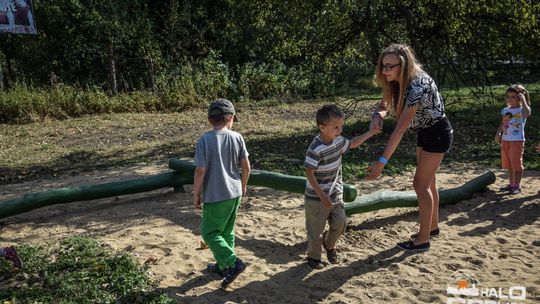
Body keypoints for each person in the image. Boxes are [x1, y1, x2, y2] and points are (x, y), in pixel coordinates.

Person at [366, 43, 453, 252]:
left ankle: (423, 240)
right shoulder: (396, 81)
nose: (385, 71)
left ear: (403, 65)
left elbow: (398, 131)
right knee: (428, 182)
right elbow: (383, 105)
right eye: (383, 66)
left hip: (438, 134)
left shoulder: (416, 86)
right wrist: (377, 116)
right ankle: (431, 228)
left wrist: (381, 162)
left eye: (390, 66)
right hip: (425, 132)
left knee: (420, 185)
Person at [304, 104, 378, 269]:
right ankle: (314, 258)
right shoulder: (316, 148)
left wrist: (370, 132)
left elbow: (352, 143)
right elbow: (309, 173)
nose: (340, 129)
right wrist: (322, 196)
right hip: (316, 197)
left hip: (334, 192)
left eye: (341, 125)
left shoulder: (338, 141)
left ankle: (329, 245)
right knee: (315, 231)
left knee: (340, 223)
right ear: (322, 127)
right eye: (336, 127)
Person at [193, 98, 251, 289]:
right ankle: (223, 265)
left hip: (215, 194)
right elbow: (246, 166)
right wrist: (243, 186)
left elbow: (200, 170)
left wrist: (196, 193)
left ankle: (233, 263)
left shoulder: (204, 140)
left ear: (210, 119)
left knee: (209, 232)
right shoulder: (237, 137)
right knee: (226, 231)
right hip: (234, 192)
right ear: (229, 118)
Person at [494, 84, 531, 194]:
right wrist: (498, 133)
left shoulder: (522, 110)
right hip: (505, 140)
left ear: (520, 97)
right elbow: (503, 123)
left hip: (517, 141)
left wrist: (523, 99)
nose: (510, 99)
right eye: (508, 96)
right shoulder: (506, 110)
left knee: (516, 164)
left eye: (513, 96)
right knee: (509, 164)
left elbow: (527, 113)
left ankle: (517, 186)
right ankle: (512, 184)